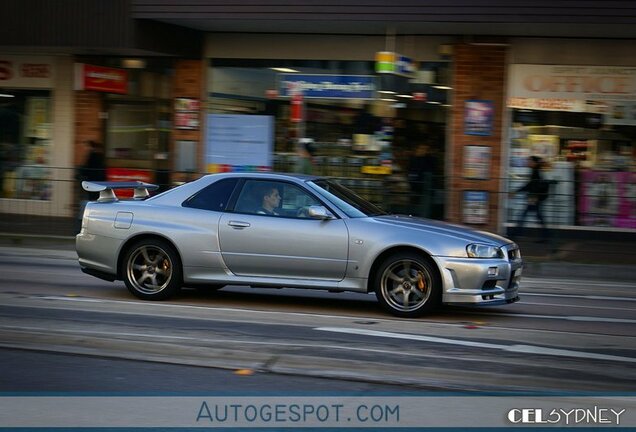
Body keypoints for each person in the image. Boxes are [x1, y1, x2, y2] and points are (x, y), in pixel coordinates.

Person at [511, 155, 551, 241]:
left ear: (534, 162)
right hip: (534, 198)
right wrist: (517, 191)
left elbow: (534, 186)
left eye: (529, 161)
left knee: (525, 216)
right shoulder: (535, 171)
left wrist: (534, 197)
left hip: (534, 199)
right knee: (536, 217)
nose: (527, 162)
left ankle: (515, 234)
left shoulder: (536, 172)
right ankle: (545, 236)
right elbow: (530, 185)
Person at [407, 142, 435, 218]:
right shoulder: (413, 159)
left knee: (424, 207)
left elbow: (431, 170)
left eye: (425, 149)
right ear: (417, 149)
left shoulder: (428, 159)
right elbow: (410, 170)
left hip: (425, 186)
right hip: (414, 185)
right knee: (413, 205)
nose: (423, 150)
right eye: (421, 148)